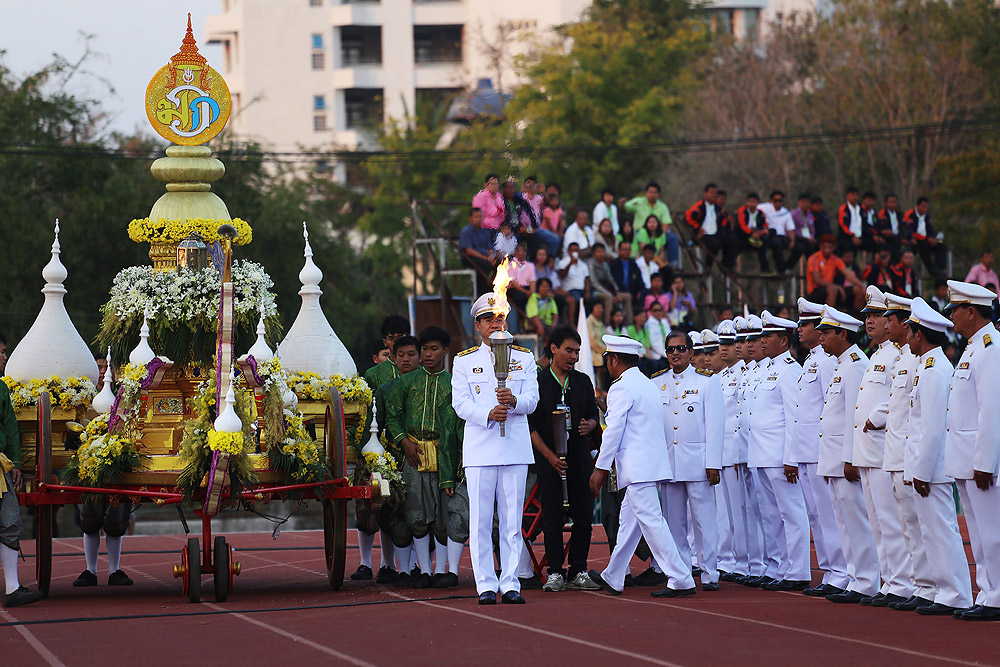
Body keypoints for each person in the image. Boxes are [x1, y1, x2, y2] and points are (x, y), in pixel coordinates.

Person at [587, 335, 698, 598]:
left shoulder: (621, 387)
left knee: (651, 521)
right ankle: (614, 575)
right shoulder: (647, 384)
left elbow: (613, 431)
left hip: (638, 468)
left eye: (607, 359)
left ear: (614, 359)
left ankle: (681, 577)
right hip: (648, 465)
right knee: (629, 524)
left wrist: (600, 469)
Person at [452, 294, 539, 605]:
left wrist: (514, 402)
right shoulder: (464, 361)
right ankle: (486, 585)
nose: (495, 323)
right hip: (480, 449)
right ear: (477, 326)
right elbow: (460, 403)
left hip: (514, 448)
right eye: (488, 319)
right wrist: (487, 413)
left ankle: (511, 582)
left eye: (500, 318)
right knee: (480, 521)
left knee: (512, 520)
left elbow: (533, 400)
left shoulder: (524, 358)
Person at [903, 297, 975, 616]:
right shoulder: (927, 366)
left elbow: (932, 427)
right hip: (926, 466)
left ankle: (955, 593)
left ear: (919, 335)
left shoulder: (934, 370)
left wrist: (921, 470)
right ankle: (943, 590)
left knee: (942, 531)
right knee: (931, 532)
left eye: (910, 331)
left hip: (931, 468)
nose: (907, 337)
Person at [385, 327, 467, 590]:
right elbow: (392, 417)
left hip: (445, 457)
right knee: (416, 514)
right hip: (414, 455)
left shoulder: (454, 383)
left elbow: (461, 423)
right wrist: (405, 442)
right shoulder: (406, 382)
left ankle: (442, 570)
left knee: (444, 516)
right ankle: (423, 570)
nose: (428, 354)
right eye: (425, 349)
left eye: (434, 349)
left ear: (446, 351)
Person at [869, 294, 937, 611]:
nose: (886, 325)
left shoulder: (915, 359)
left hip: (907, 453)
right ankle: (916, 585)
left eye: (891, 320)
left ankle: (925, 586)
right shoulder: (905, 357)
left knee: (917, 526)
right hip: (895, 453)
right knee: (906, 526)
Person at [942, 280, 1000, 620]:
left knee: (992, 534)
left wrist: (985, 462)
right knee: (978, 535)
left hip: (981, 459)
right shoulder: (974, 347)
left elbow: (990, 409)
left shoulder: (991, 348)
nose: (951, 316)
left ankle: (997, 595)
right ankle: (988, 593)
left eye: (955, 310)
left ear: (971, 311)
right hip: (965, 456)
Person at [816, 307, 881, 604]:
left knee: (856, 521)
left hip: (845, 457)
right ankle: (855, 577)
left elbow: (854, 417)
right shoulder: (842, 364)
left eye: (826, 332)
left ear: (842, 334)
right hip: (834, 456)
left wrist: (851, 458)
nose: (821, 337)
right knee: (844, 522)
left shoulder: (855, 365)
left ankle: (866, 580)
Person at [530, 326, 601, 592]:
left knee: (583, 518)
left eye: (577, 352)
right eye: (569, 350)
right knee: (552, 518)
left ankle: (578, 570)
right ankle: (555, 572)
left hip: (578, 461)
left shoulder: (582, 381)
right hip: (550, 462)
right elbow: (530, 427)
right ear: (553, 348)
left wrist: (590, 424)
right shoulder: (538, 382)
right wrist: (549, 457)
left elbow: (593, 415)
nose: (574, 356)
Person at [853, 287, 912, 607]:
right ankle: (890, 580)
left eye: (877, 316)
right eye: (869, 316)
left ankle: (902, 582)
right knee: (877, 522)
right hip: (868, 448)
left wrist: (877, 417)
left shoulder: (898, 355)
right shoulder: (877, 354)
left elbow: (900, 400)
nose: (871, 322)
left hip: (882, 447)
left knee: (890, 521)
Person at [653, 331, 724, 591]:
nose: (676, 353)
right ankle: (681, 573)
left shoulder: (707, 381)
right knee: (674, 523)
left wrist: (713, 463)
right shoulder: (657, 382)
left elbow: (715, 425)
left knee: (704, 521)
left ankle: (710, 573)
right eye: (671, 349)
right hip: (669, 463)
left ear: (691, 352)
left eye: (681, 348)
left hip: (697, 463)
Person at [748, 311, 811, 591]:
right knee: (772, 516)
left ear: (784, 340)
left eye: (768, 336)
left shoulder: (790, 369)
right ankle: (779, 567)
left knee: (792, 514)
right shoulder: (767, 369)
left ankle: (798, 570)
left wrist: (790, 458)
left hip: (779, 455)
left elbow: (793, 417)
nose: (762, 340)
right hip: (761, 454)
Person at [790, 299, 849, 597]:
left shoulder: (826, 362)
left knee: (828, 515)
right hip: (806, 450)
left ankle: (840, 572)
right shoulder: (812, 360)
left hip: (820, 449)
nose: (800, 329)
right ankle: (829, 571)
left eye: (806, 324)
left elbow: (832, 408)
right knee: (816, 515)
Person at [365, 335, 421, 585]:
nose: (406, 360)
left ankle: (425, 568)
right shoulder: (384, 390)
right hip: (395, 459)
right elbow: (375, 427)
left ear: (420, 357)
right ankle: (401, 568)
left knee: (425, 513)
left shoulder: (435, 385)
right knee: (396, 513)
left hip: (428, 456)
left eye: (411, 354)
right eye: (401, 355)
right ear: (394, 359)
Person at [1, 341, 44, 608]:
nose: (5, 357)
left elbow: (10, 427)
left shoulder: (1, 389)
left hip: (0, 469)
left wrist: (15, 463)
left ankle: (12, 588)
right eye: (1, 352)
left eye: (4, 352)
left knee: (9, 522)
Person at [714, 321, 748, 582]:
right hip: (723, 452)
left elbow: (740, 419)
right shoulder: (720, 377)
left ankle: (744, 561)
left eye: (729, 344)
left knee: (741, 511)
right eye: (721, 344)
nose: (724, 349)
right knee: (726, 512)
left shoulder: (745, 373)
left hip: (737, 452)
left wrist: (738, 454)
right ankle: (730, 559)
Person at [623, 182, 679, 267]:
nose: (652, 194)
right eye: (650, 192)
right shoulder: (639, 202)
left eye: (655, 192)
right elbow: (626, 206)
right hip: (641, 232)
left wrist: (660, 236)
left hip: (657, 233)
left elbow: (666, 223)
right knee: (641, 234)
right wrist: (624, 203)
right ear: (646, 193)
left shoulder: (662, 206)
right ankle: (646, 261)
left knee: (673, 238)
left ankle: (673, 264)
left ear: (658, 194)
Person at [685, 182, 738, 270]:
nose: (714, 195)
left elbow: (725, 223)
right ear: (705, 193)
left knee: (734, 241)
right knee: (714, 244)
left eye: (715, 193)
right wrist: (698, 228)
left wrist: (725, 233)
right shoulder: (699, 206)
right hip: (703, 235)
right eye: (711, 193)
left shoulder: (719, 209)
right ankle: (707, 267)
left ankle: (726, 265)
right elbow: (687, 218)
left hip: (717, 234)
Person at [805, 234, 865, 307]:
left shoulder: (836, 259)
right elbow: (817, 280)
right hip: (816, 291)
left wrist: (861, 286)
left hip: (833, 288)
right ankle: (829, 313)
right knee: (832, 289)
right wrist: (835, 286)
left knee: (858, 289)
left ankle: (856, 313)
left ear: (834, 247)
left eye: (830, 247)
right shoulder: (814, 259)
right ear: (820, 246)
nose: (827, 250)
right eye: (825, 247)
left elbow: (849, 275)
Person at [758, 191, 807, 273]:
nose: (778, 203)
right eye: (775, 200)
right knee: (776, 244)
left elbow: (790, 228)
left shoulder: (786, 212)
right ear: (771, 201)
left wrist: (792, 241)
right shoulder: (764, 207)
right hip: (770, 235)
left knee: (800, 248)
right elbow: (751, 208)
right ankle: (780, 269)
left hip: (782, 236)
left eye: (780, 200)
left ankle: (787, 268)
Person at [903, 197, 947, 277]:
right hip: (915, 240)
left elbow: (930, 228)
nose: (925, 209)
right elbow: (909, 231)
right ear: (917, 206)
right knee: (922, 247)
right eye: (923, 207)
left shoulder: (927, 216)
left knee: (942, 246)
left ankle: (938, 268)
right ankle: (931, 270)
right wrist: (926, 238)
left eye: (927, 207)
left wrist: (933, 238)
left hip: (926, 240)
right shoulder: (910, 215)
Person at [364, 315, 410, 391]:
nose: (396, 342)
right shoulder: (373, 374)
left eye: (400, 337)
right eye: (391, 338)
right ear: (385, 342)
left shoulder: (418, 371)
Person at [459, 208, 498, 295]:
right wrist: (485, 258)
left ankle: (492, 287)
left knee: (500, 262)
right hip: (470, 258)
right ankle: (481, 292)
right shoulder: (466, 232)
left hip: (485, 258)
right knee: (483, 265)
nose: (478, 219)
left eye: (480, 217)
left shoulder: (485, 232)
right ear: (470, 218)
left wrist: (492, 256)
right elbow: (468, 250)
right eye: (476, 217)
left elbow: (489, 247)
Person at [736, 192, 778, 273]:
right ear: (746, 202)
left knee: (772, 233)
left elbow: (765, 225)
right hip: (745, 235)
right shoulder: (742, 211)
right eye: (750, 202)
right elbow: (742, 226)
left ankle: (765, 269)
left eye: (754, 202)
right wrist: (751, 233)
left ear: (757, 203)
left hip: (758, 234)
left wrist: (763, 231)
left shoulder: (760, 213)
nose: (752, 204)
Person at [588, 243, 623, 324]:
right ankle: (607, 324)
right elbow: (593, 283)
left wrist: (617, 291)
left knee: (625, 296)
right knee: (609, 297)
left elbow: (610, 279)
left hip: (604, 290)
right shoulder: (591, 264)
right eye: (598, 252)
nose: (600, 254)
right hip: (594, 291)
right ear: (593, 253)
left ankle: (625, 323)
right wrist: (608, 293)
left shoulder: (605, 264)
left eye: (602, 251)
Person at [556, 242, 590, 325]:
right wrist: (570, 264)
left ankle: (587, 323)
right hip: (570, 290)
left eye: (577, 250)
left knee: (593, 300)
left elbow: (586, 280)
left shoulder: (583, 264)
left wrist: (587, 291)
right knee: (578, 300)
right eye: (573, 250)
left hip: (581, 290)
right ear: (568, 251)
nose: (575, 252)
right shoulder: (563, 262)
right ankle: (574, 323)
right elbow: (561, 276)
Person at [837, 186, 877, 254]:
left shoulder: (861, 209)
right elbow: (843, 226)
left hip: (860, 236)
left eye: (856, 195)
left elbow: (865, 225)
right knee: (847, 247)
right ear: (847, 196)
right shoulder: (844, 209)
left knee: (878, 244)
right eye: (852, 195)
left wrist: (873, 235)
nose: (855, 198)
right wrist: (852, 237)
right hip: (847, 237)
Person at [608, 240, 643, 314]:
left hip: (633, 294)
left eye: (628, 250)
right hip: (619, 292)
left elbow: (639, 280)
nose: (627, 252)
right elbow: (615, 281)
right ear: (619, 250)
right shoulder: (614, 264)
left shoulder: (633, 263)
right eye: (624, 249)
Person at [526, 278, 558, 343]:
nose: (545, 289)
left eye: (547, 286)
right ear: (538, 287)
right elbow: (534, 315)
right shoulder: (534, 297)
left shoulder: (550, 299)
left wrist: (553, 325)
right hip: (536, 324)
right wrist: (540, 327)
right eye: (543, 286)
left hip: (548, 325)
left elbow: (555, 314)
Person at [875, 193, 904, 258]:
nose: (893, 204)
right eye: (890, 202)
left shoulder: (900, 214)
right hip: (887, 240)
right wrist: (884, 231)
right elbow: (878, 227)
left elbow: (903, 227)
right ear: (886, 203)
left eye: (894, 202)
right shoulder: (882, 214)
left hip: (898, 239)